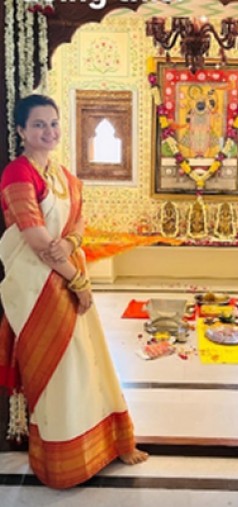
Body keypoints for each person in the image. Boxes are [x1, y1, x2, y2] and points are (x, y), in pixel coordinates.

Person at [0, 94, 148, 489]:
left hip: (65, 273)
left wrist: (69, 245)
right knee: (59, 371)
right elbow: (36, 239)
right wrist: (77, 281)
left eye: (53, 123)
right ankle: (63, 460)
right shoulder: (17, 174)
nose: (48, 131)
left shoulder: (63, 176)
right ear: (21, 130)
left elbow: (78, 223)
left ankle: (105, 445)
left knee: (87, 360)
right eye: (38, 124)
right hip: (37, 289)